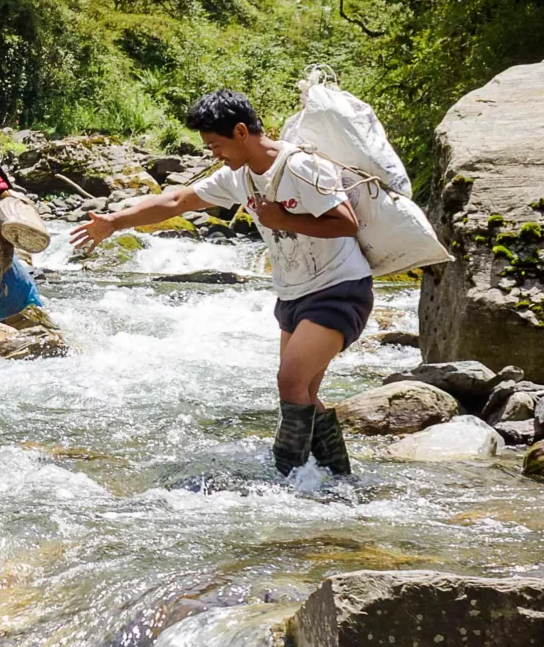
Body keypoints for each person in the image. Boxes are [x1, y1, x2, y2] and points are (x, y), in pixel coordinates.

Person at [71, 88, 368, 477]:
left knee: (289, 381)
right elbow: (177, 202)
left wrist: (282, 221)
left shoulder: (301, 167)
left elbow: (347, 222)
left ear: (241, 132)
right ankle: (338, 481)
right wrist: (113, 222)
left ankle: (286, 480)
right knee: (306, 395)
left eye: (215, 144)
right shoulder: (238, 178)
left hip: (340, 288)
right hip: (293, 295)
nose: (213, 153)